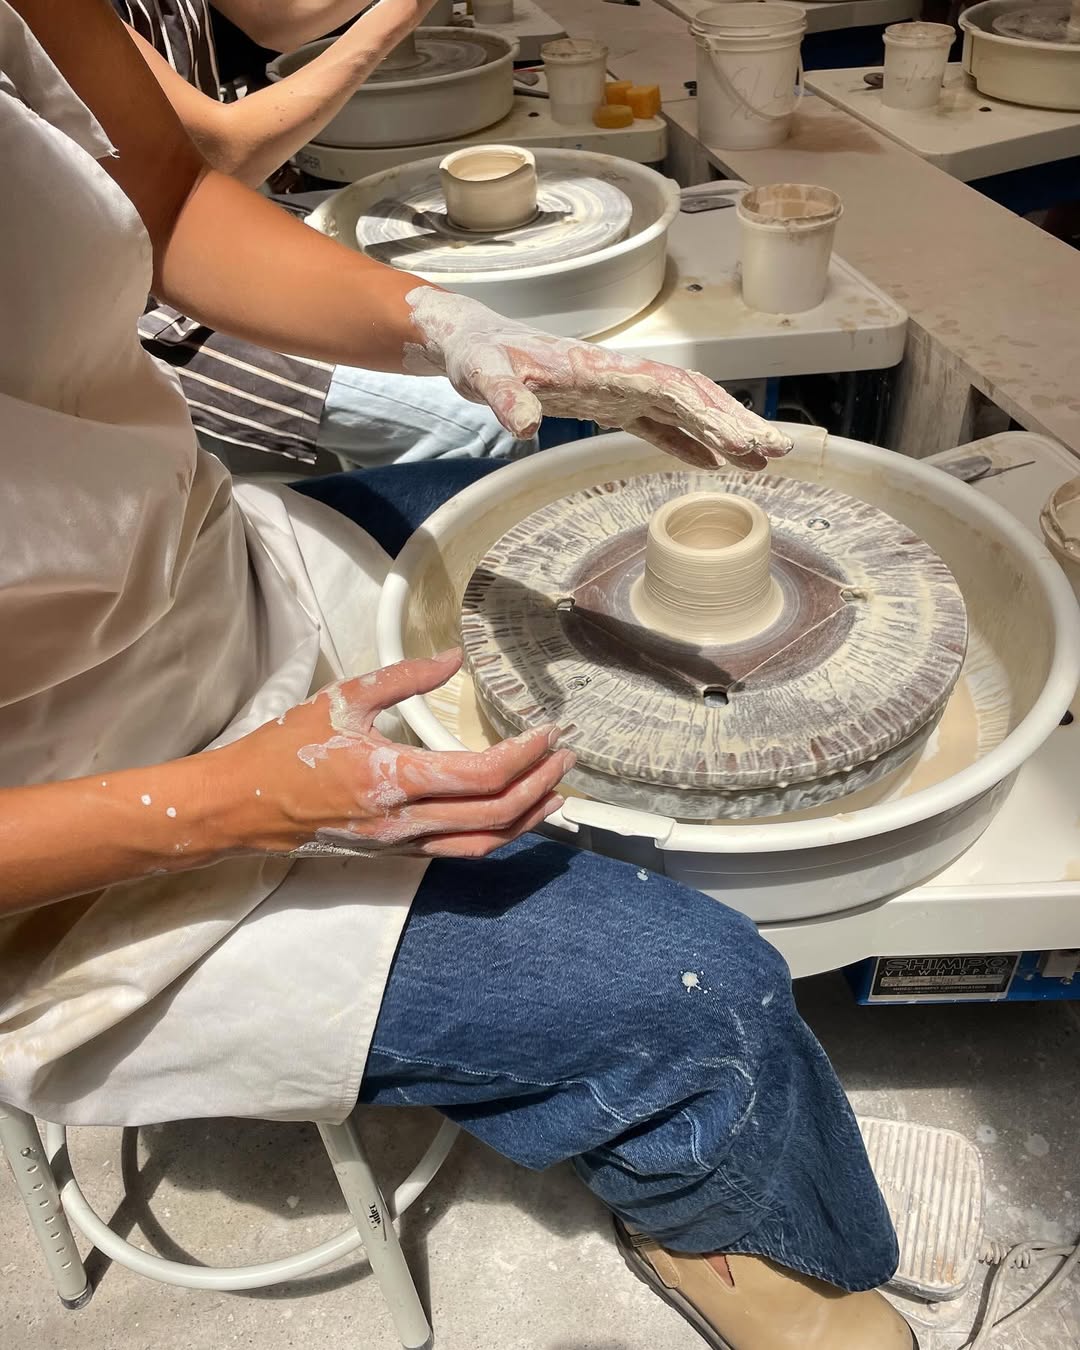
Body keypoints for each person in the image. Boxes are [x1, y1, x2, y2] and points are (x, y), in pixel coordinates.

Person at [0, 3, 916, 1345]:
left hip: (201, 567)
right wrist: (238, 803)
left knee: (541, 500)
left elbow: (174, 196)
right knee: (707, 995)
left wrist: (450, 323)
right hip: (73, 849)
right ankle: (717, 1228)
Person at [113, 0, 534, 468]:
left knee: (502, 334)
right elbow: (222, 154)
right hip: (130, 315)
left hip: (201, 230)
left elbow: (276, 18)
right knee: (485, 421)